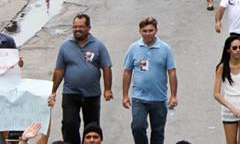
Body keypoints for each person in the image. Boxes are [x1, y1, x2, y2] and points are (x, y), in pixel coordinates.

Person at [49, 14, 114, 144]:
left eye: (81, 27)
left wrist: (108, 89)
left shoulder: (98, 45)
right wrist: (52, 90)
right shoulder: (65, 46)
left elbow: (106, 68)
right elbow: (59, 70)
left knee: (91, 127)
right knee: (69, 124)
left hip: (92, 94)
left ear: (89, 28)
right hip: (70, 93)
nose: (77, 29)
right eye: (75, 27)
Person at [122, 17, 178, 144]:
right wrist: (125, 95)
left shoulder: (165, 49)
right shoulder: (133, 48)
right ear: (140, 31)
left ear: (156, 31)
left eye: (151, 30)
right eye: (145, 31)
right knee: (138, 127)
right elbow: (127, 72)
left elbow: (172, 72)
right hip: (139, 98)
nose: (148, 33)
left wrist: (173, 96)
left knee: (158, 131)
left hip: (159, 98)